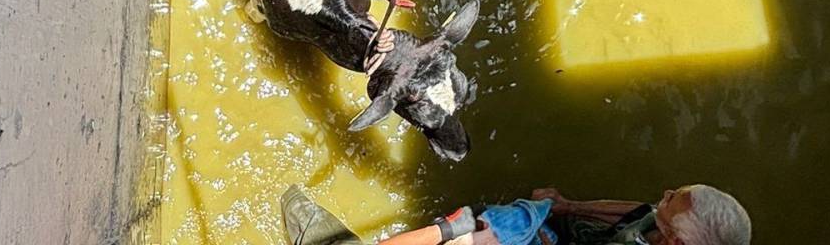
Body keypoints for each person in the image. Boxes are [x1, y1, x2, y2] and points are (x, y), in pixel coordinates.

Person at [282, 184, 751, 245]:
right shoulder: (655, 219)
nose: (665, 194)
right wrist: (564, 205)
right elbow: (635, 210)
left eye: (675, 199)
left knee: (471, 233)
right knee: (480, 225)